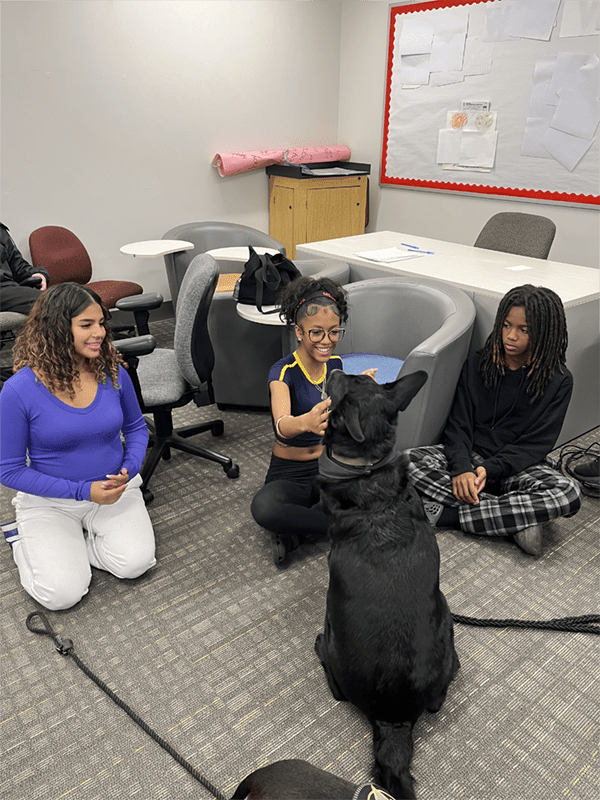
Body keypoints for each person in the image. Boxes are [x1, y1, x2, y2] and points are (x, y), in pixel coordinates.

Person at [0, 282, 156, 610]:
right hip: (52, 500)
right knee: (62, 595)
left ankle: (71, 549)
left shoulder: (112, 371)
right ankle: (23, 540)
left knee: (135, 564)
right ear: (56, 329)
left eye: (101, 323)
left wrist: (129, 470)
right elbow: (8, 469)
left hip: (114, 490)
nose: (99, 332)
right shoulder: (18, 391)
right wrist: (83, 492)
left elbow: (137, 428)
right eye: (86, 325)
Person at [406, 284, 582, 557]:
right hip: (469, 459)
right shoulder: (479, 364)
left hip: (516, 467)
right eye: (507, 325)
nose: (511, 336)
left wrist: (490, 470)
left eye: (524, 330)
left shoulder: (559, 381)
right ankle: (518, 520)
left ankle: (447, 516)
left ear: (545, 334)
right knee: (405, 461)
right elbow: (459, 425)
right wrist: (462, 468)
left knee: (568, 491)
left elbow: (535, 445)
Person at [251, 276, 352, 566]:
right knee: (264, 508)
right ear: (299, 331)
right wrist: (305, 422)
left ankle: (296, 534)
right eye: (316, 333)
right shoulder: (282, 371)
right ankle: (336, 527)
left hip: (328, 466)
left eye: (334, 332)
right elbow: (282, 424)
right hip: (289, 470)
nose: (326, 341)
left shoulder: (336, 365)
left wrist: (361, 391)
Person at [0, 222, 49, 314]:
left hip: (10, 290)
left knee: (70, 300)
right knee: (54, 304)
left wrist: (38, 274)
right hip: (4, 291)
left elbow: (18, 266)